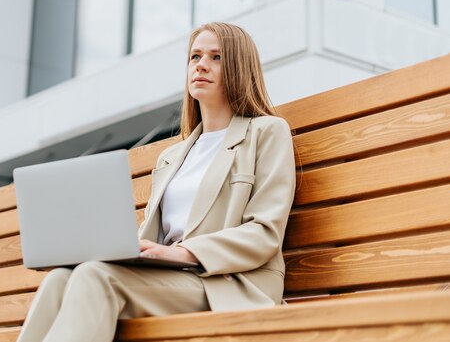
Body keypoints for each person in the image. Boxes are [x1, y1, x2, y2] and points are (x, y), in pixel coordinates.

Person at [16, 22, 296, 342]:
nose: (201, 64)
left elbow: (264, 233)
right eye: (195, 56)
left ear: (239, 67)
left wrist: (181, 253)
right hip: (167, 279)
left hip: (226, 282)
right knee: (60, 278)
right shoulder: (172, 157)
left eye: (216, 57)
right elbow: (153, 234)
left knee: (97, 277)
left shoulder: (267, 132)